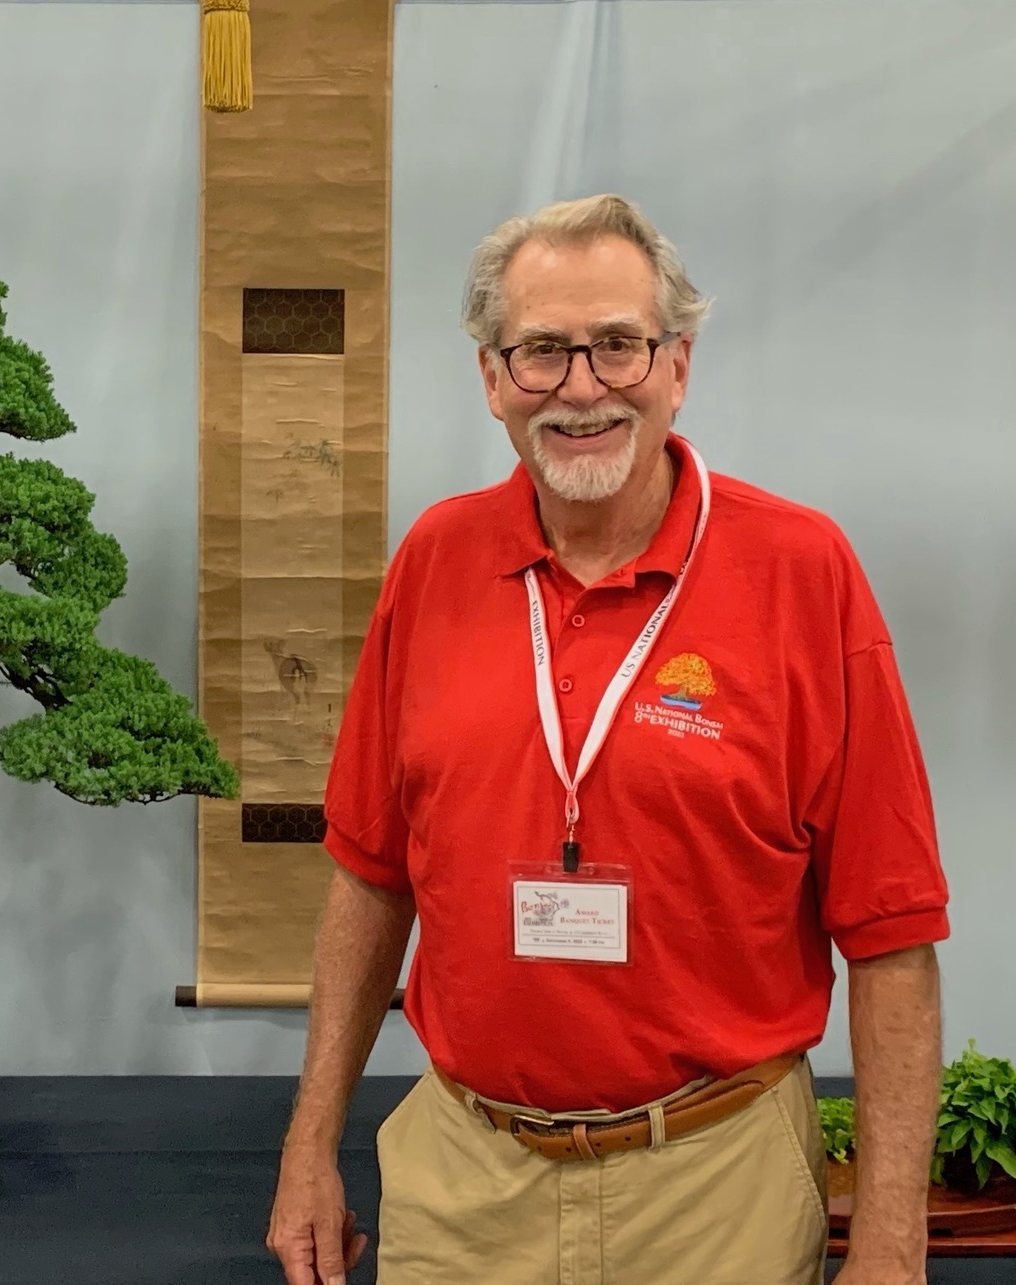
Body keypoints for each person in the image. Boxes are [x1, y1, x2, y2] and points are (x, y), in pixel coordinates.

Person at [266, 194, 949, 1285]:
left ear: (677, 365)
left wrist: (892, 1245)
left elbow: (893, 932)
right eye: (542, 351)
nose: (582, 388)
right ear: (492, 379)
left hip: (716, 1184)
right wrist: (309, 1145)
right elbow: (370, 873)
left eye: (619, 346)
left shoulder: (804, 574)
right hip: (464, 1182)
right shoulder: (434, 562)